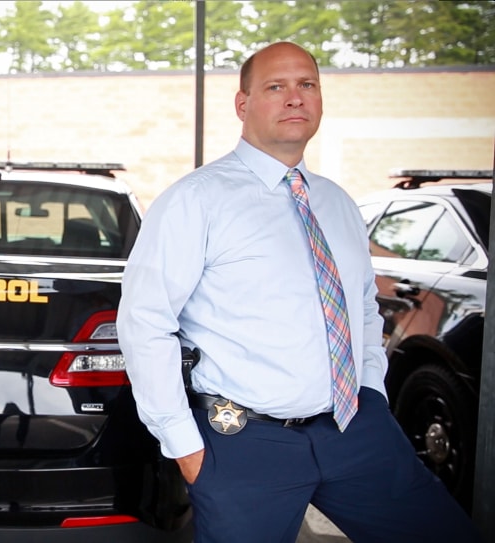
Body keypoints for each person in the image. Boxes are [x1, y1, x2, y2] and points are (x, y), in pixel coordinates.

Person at [116, 41, 482, 543]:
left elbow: (361, 309)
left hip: (356, 431)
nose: (295, 98)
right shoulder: (195, 201)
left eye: (306, 84)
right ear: (243, 104)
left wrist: (370, 392)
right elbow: (144, 322)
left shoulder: (336, 203)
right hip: (243, 444)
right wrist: (185, 446)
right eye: (276, 87)